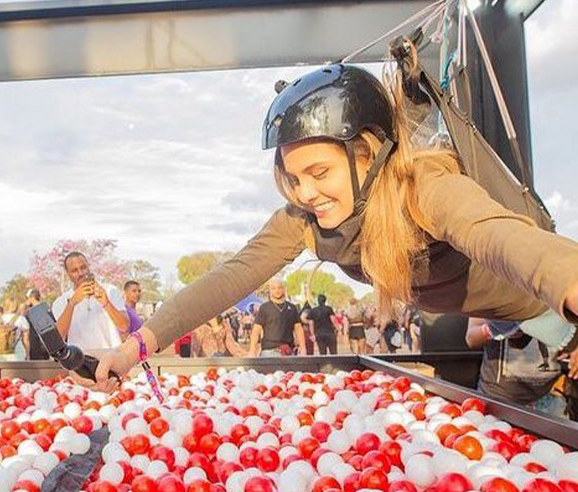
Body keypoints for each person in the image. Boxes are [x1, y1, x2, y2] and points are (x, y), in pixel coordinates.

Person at [89, 60, 578, 390]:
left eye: (319, 173)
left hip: (547, 309)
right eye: (293, 177)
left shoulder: (424, 183)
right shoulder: (305, 220)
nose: (305, 193)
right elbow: (232, 276)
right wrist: (137, 345)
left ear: (369, 153)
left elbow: (498, 235)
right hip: (498, 325)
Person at [466, 318, 568, 417]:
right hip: (499, 399)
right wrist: (494, 329)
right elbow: (471, 338)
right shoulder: (492, 300)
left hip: (550, 399)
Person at [52, 252, 129, 351]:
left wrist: (107, 303)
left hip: (111, 358)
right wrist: (71, 304)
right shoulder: (60, 302)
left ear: (88, 267)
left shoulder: (110, 291)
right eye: (74, 270)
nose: (81, 273)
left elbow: (124, 327)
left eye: (83, 267)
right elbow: (59, 337)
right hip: (81, 361)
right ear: (68, 273)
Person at [249, 279, 306, 357]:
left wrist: (303, 348)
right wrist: (252, 351)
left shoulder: (292, 308)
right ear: (270, 291)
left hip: (288, 351)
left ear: (283, 289)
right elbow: (256, 330)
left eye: (279, 288)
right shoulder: (264, 308)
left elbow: (298, 328)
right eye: (273, 288)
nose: (277, 291)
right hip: (269, 351)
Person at [24, 288, 48, 360]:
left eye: (27, 298)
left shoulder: (31, 311)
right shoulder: (46, 307)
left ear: (32, 298)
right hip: (46, 342)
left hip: (35, 343)